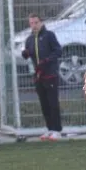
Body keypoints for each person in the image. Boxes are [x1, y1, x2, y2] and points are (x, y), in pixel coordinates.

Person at [22, 13, 63, 141]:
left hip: (50, 75)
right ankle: (49, 129)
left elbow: (58, 51)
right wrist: (26, 53)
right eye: (31, 23)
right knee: (44, 103)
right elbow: (28, 53)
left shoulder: (49, 36)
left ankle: (57, 130)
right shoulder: (29, 39)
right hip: (38, 76)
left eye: (36, 23)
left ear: (41, 23)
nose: (34, 26)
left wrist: (47, 61)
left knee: (53, 103)